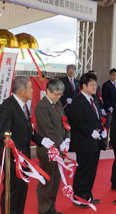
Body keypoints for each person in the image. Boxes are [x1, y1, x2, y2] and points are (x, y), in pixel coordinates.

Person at [0, 76, 54, 214]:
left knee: (22, 189)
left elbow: (29, 130)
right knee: (13, 190)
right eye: (29, 88)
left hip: (23, 157)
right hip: (12, 157)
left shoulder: (23, 106)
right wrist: (14, 151)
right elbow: (3, 133)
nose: (32, 91)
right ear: (21, 91)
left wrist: (42, 140)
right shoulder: (8, 106)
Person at [69, 72, 107, 208]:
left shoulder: (95, 100)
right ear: (84, 86)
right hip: (84, 142)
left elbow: (97, 119)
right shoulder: (78, 101)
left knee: (92, 170)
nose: (95, 87)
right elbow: (77, 122)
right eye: (92, 84)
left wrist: (101, 131)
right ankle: (78, 197)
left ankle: (87, 195)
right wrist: (91, 132)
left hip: (95, 142)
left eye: (95, 84)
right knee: (83, 170)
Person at [36, 79, 70, 214]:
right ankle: (44, 210)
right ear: (48, 91)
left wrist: (67, 139)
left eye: (60, 94)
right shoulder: (42, 106)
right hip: (48, 149)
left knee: (56, 181)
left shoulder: (58, 104)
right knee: (47, 180)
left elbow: (65, 122)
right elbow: (47, 129)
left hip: (59, 148)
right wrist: (60, 143)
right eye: (56, 94)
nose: (58, 97)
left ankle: (51, 208)